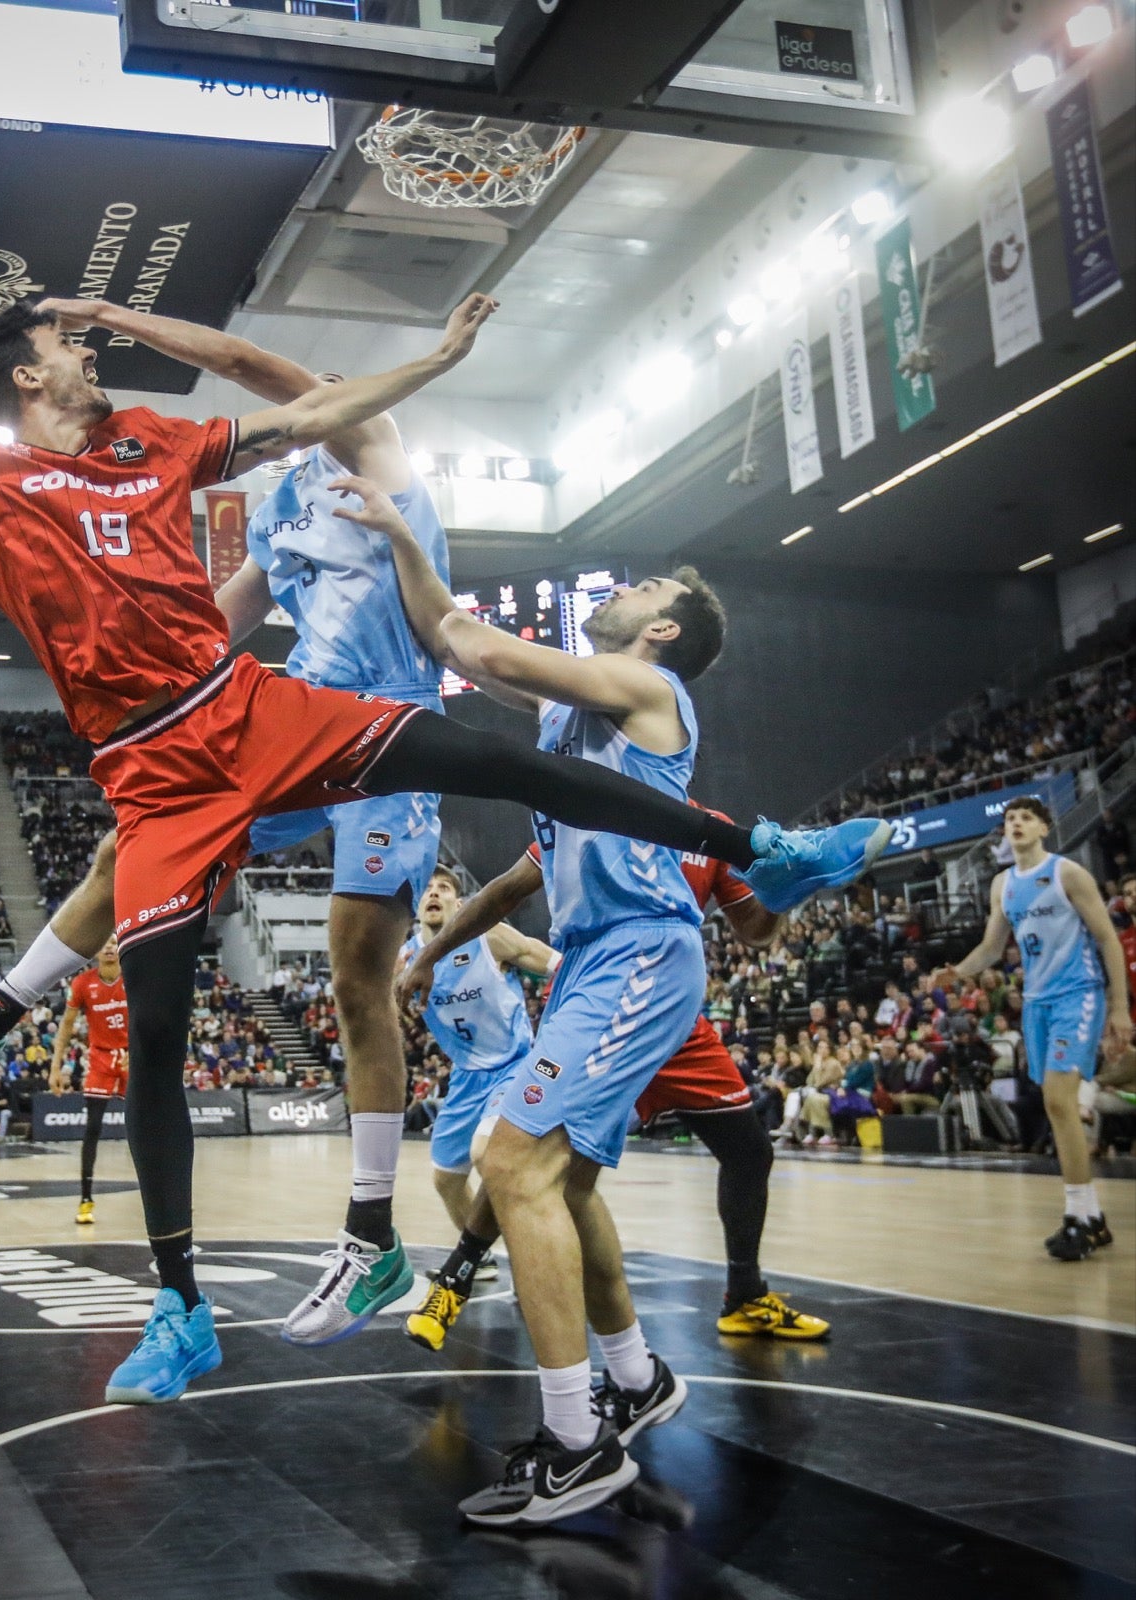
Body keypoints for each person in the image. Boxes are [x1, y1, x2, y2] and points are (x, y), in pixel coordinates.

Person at [0, 237, 883, 1410]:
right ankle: (170, 1289)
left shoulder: (178, 438)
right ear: (30, 380)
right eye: (68, 344)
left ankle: (760, 850)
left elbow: (299, 391)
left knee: (460, 824)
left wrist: (438, 360)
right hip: (161, 766)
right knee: (151, 1026)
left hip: (290, 718)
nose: (86, 350)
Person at [368, 485, 869, 1524]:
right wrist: (398, 550)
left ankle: (576, 1441)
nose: (624, 582)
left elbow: (483, 650)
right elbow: (463, 644)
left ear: (663, 628)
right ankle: (634, 1379)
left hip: (638, 954)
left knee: (511, 1165)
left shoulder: (650, 689)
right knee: (567, 1185)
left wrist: (401, 531)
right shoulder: (574, 708)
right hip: (597, 962)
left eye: (643, 583)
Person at [98, 312, 459, 1343]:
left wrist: (119, 320)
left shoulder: (376, 450)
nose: (318, 400)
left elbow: (256, 367)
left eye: (330, 388)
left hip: (389, 723)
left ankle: (370, 1234)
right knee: (160, 820)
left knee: (356, 980)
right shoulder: (280, 502)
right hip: (299, 721)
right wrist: (148, 649)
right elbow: (232, 613)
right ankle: (3, 1003)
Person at [400, 817, 829, 1355]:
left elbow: (757, 929)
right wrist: (429, 954)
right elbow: (506, 889)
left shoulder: (713, 830)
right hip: (604, 1006)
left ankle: (744, 1296)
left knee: (749, 1153)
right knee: (536, 1161)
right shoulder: (591, 809)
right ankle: (461, 1279)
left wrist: (789, 887)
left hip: (673, 1013)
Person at [936, 796, 1131, 1259]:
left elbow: (1108, 939)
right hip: (1038, 1004)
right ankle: (1092, 1217)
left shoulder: (1068, 874)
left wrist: (1119, 1008)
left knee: (1059, 1101)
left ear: (1044, 828)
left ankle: (1077, 1217)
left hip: (1079, 994)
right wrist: (958, 971)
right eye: (1009, 819)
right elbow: (990, 946)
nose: (1016, 823)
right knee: (1057, 1108)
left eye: (1026, 817)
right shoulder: (1003, 884)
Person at [396, 865, 559, 1348]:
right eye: (427, 889)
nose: (434, 894)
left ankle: (523, 1260)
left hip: (514, 1066)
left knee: (492, 1155)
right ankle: (484, 1255)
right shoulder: (405, 957)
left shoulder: (489, 936)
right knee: (445, 1177)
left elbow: (547, 958)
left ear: (459, 903)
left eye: (444, 888)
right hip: (466, 1076)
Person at [49, 935, 127, 1225]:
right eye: (103, 942)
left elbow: (151, 1016)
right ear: (94, 950)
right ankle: (85, 1199)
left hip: (134, 1056)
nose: (108, 946)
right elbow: (67, 1026)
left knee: (146, 1126)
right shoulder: (83, 983)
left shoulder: (135, 975)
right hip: (101, 1058)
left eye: (114, 941)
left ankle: (160, 1196)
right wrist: (55, 1068)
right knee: (93, 1127)